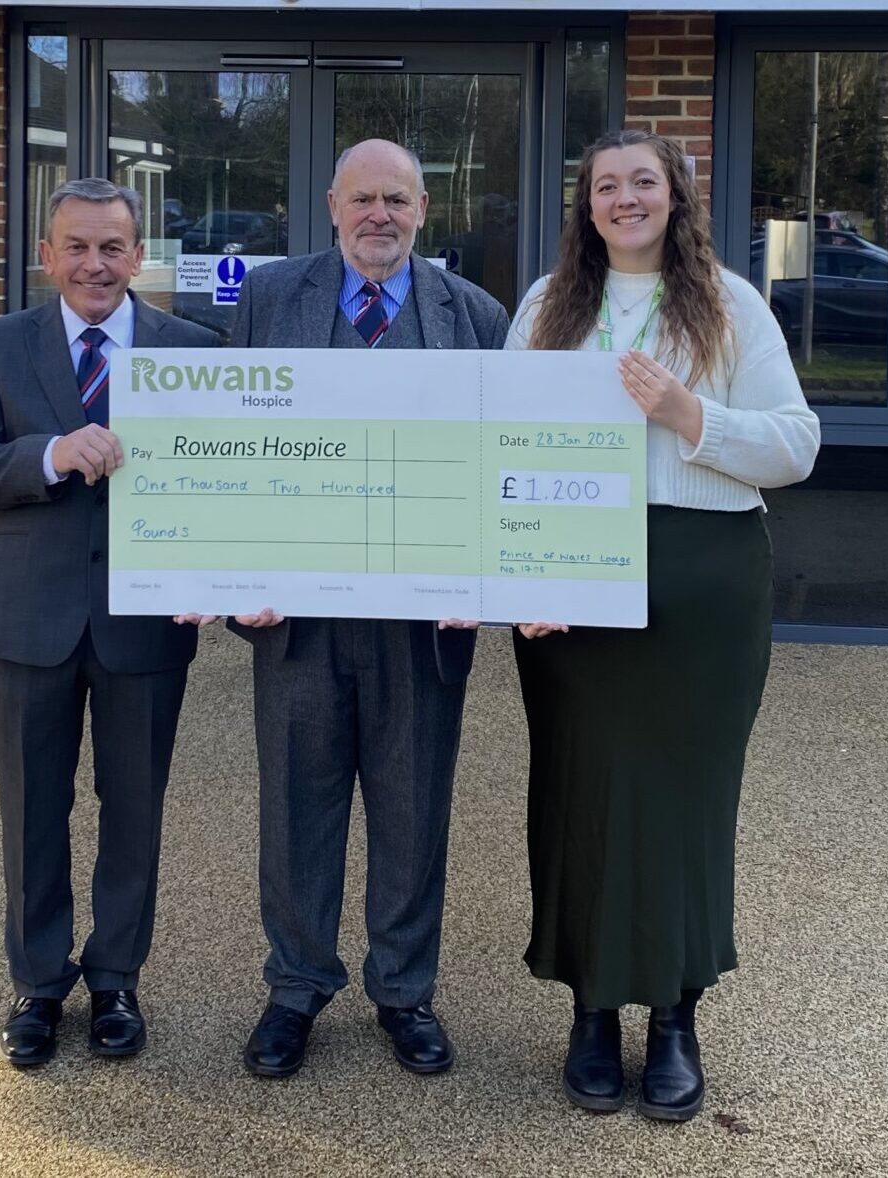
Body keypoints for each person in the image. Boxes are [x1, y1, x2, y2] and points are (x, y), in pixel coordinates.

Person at [505, 130, 819, 1120]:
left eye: (644, 181)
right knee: (584, 792)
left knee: (686, 801)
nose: (626, 198)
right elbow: (501, 445)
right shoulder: (546, 307)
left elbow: (797, 446)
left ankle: (676, 1015)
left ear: (675, 196)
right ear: (587, 205)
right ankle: (594, 1009)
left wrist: (691, 415)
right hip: (572, 586)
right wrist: (518, 573)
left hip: (703, 585)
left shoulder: (730, 305)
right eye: (607, 185)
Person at [223, 139, 510, 1079]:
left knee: (412, 812)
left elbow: (499, 464)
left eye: (396, 199)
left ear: (423, 209)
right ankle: (296, 987)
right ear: (332, 206)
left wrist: (492, 582)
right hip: (298, 621)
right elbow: (228, 441)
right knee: (295, 809)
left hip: (422, 627)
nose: (378, 215)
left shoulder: (476, 316)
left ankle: (404, 991)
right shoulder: (271, 298)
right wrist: (230, 580)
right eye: (362, 199)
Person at [0, 177, 219, 1068]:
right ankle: (37, 984)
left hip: (145, 622)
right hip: (29, 619)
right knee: (33, 808)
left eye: (111, 248)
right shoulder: (2, 344)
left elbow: (226, 481)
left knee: (134, 809)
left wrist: (229, 570)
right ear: (47, 255)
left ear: (139, 257)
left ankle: (115, 982)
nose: (94, 265)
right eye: (77, 247)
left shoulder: (192, 351)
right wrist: (52, 454)